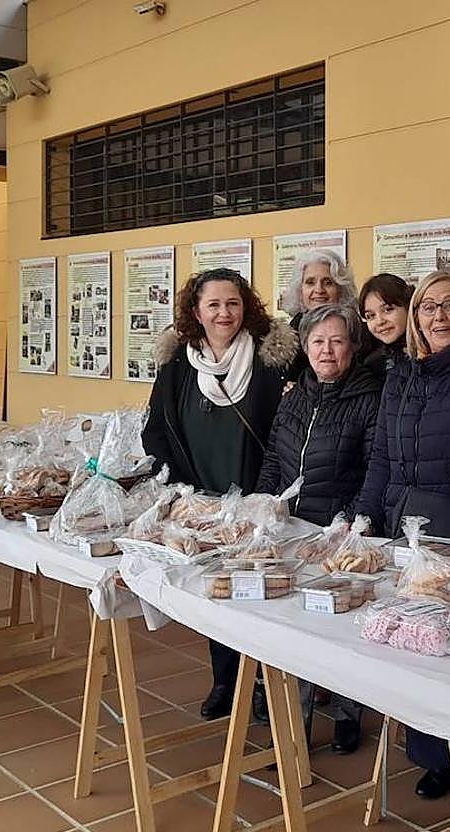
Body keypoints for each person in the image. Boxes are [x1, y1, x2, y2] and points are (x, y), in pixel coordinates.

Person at [354, 270, 450, 800]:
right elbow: (380, 454)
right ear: (416, 317)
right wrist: (362, 518)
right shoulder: (399, 373)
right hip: (403, 527)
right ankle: (433, 756)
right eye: (428, 307)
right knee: (413, 645)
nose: (438, 317)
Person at [141, 267, 298, 722]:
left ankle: (268, 686)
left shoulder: (274, 360)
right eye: (213, 304)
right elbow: (157, 430)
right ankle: (226, 681)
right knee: (217, 591)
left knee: (266, 591)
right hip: (202, 499)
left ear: (246, 306)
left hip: (259, 497)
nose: (224, 313)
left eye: (233, 303)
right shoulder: (176, 366)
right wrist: (181, 491)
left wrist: (271, 493)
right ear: (196, 311)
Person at [255, 303, 380, 754]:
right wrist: (263, 503)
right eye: (318, 341)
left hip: (339, 535)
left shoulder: (369, 399)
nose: (327, 351)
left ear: (352, 347)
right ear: (305, 348)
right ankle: (295, 724)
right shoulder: (294, 398)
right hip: (292, 533)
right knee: (294, 627)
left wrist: (347, 520)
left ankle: (349, 713)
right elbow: (274, 458)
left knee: (341, 629)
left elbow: (372, 470)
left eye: (337, 341)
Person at [279, 250, 359, 379]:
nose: (319, 290)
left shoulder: (363, 335)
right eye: (310, 282)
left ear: (340, 289)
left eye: (328, 282)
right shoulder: (284, 344)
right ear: (300, 291)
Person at [358, 272, 411, 374]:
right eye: (371, 316)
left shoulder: (429, 353)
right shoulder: (374, 364)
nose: (380, 321)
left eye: (387, 309)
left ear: (408, 307)